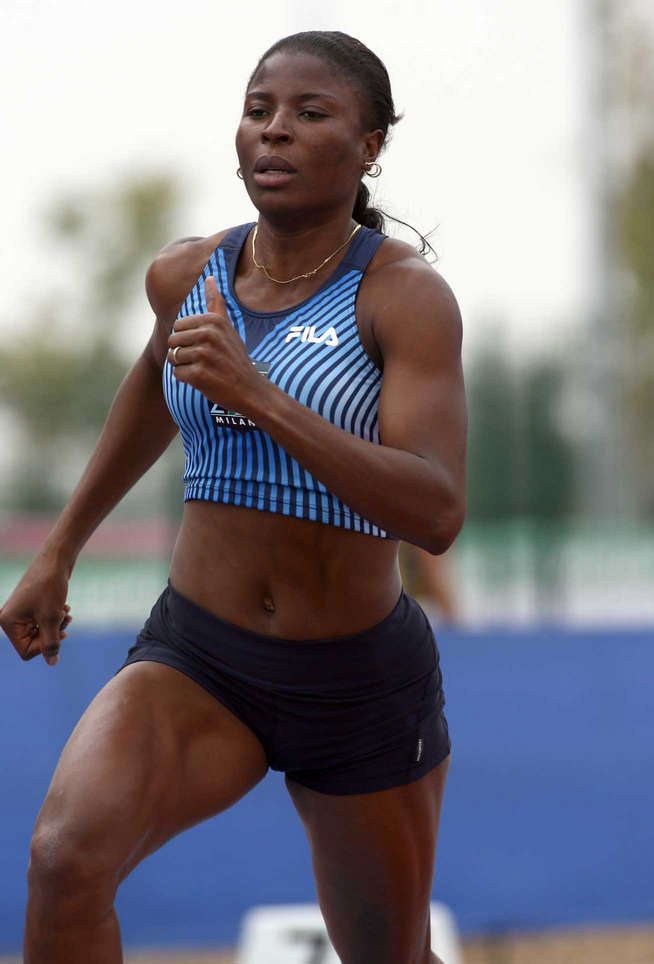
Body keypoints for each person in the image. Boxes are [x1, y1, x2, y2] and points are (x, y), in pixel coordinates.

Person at [0, 30, 467, 964]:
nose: (274, 131)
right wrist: (58, 551)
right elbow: (152, 391)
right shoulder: (188, 275)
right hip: (202, 661)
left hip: (356, 681)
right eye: (259, 111)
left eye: (309, 113)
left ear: (370, 144)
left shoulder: (404, 297)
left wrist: (260, 396)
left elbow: (436, 511)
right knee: (64, 859)